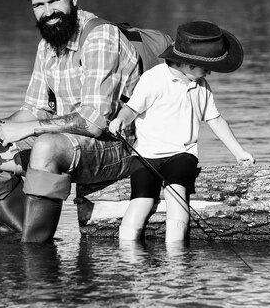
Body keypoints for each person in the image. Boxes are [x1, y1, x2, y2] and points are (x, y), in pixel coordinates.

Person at [0, 0, 141, 243]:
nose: (48, 12)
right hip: (67, 145)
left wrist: (32, 129)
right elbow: (34, 109)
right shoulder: (47, 45)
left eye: (54, 0)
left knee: (45, 145)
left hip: (120, 149)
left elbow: (93, 123)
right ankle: (19, 235)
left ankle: (35, 252)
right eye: (38, 5)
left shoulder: (100, 37)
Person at [108, 20, 255, 242]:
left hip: (181, 154)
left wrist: (238, 152)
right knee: (141, 201)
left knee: (176, 195)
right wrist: (120, 120)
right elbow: (131, 109)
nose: (209, 73)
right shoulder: (154, 78)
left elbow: (215, 120)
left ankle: (176, 258)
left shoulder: (201, 86)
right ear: (187, 64)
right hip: (146, 156)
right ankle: (129, 258)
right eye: (206, 68)